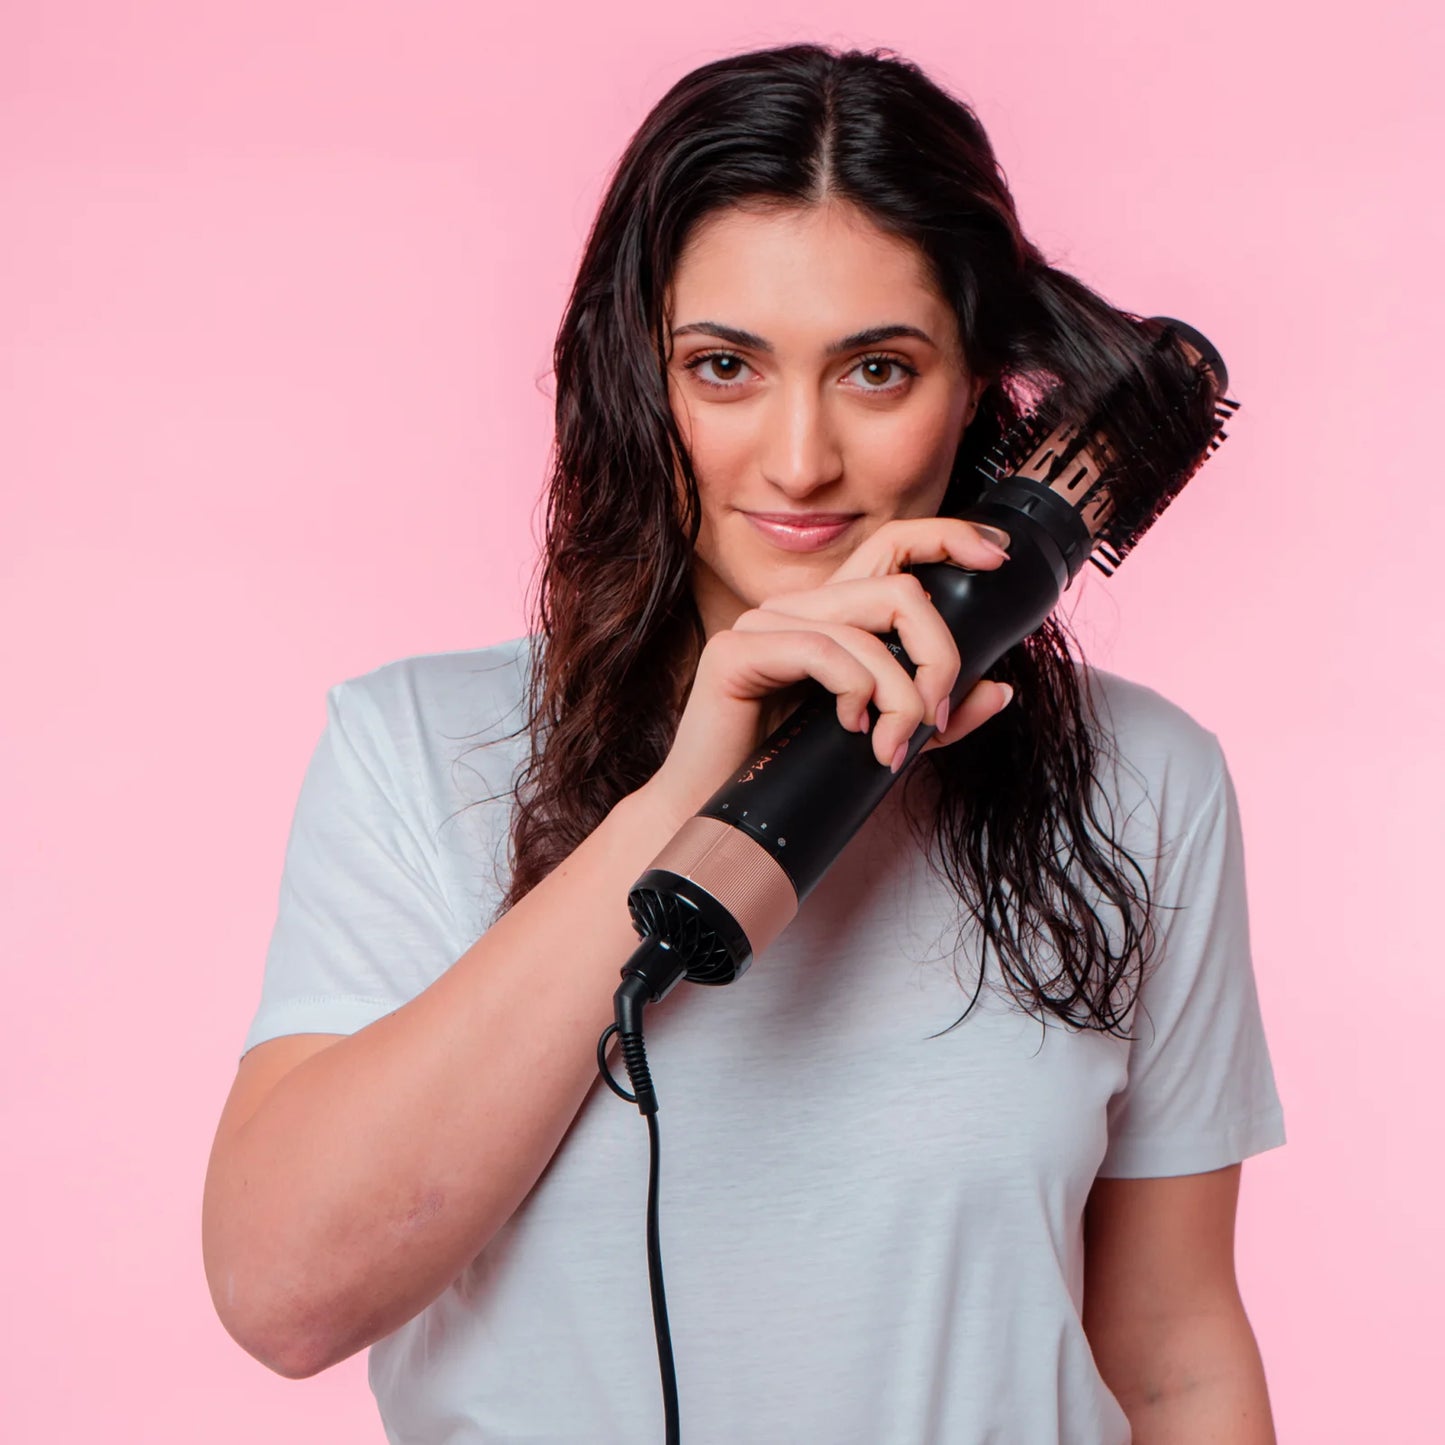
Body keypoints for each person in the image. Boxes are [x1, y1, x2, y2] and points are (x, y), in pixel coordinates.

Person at [202, 42, 1286, 1444]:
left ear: (977, 393)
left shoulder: (1142, 786)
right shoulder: (417, 750)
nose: (796, 461)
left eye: (876, 371)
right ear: (639, 380)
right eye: (725, 366)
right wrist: (683, 789)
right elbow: (284, 1292)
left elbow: (1172, 1350)